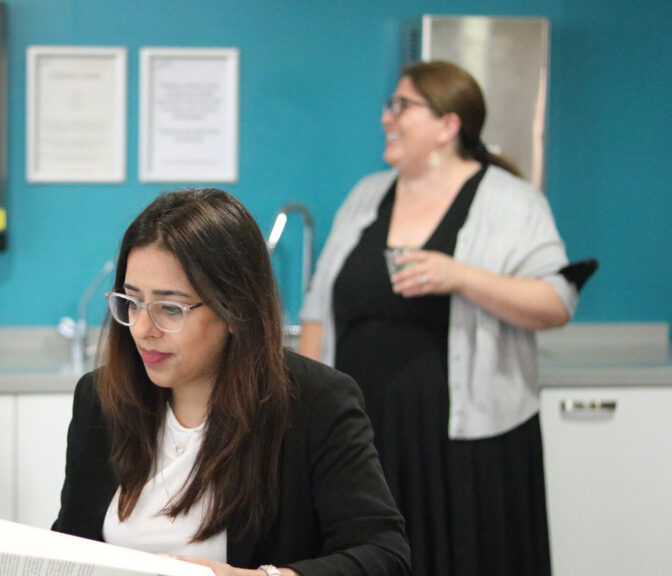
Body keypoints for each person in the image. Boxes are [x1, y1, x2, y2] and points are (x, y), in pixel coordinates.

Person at [298, 61, 580, 576]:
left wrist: (461, 277)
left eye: (402, 106)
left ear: (448, 126)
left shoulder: (511, 200)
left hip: (465, 445)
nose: (387, 118)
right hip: (366, 435)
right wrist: (304, 409)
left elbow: (556, 301)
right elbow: (318, 307)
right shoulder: (368, 195)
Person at [52, 189, 411, 576]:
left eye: (170, 308)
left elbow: (384, 556)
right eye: (132, 301)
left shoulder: (315, 402)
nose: (142, 329)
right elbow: (71, 544)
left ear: (234, 309)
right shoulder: (101, 399)